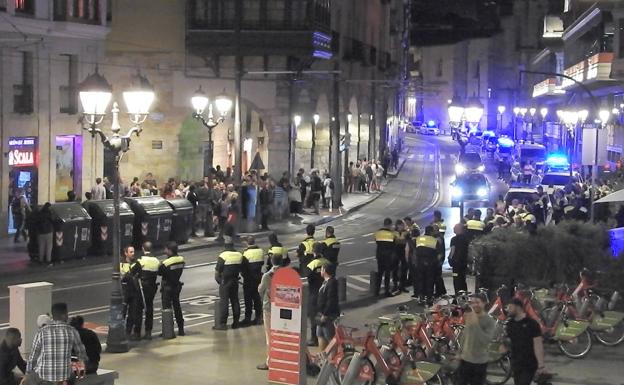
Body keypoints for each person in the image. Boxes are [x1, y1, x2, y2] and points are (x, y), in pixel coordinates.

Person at [25, 303, 87, 385]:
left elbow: (32, 358)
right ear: (64, 315)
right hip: (64, 377)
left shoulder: (41, 332)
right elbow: (82, 355)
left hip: (44, 376)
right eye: (67, 314)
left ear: (52, 315)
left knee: (30, 377)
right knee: (72, 375)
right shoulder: (72, 331)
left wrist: (27, 374)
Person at [505, 298, 546, 385]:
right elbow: (509, 343)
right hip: (516, 363)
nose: (507, 309)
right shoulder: (509, 325)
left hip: (529, 363)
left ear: (518, 307)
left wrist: (541, 365)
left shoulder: (532, 324)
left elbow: (538, 345)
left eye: (510, 307)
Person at [457, 294, 496, 385]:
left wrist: (475, 324)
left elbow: (485, 340)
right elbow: (465, 335)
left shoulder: (489, 321)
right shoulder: (470, 317)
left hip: (479, 362)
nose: (474, 305)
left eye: (477, 302)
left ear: (484, 303)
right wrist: (459, 352)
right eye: (472, 303)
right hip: (465, 359)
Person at [256, 253, 283, 370]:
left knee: (270, 336)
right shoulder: (286, 273)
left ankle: (270, 362)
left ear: (272, 261)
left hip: (269, 308)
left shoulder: (267, 276)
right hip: (282, 307)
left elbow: (261, 290)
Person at [213, 233, 243, 330]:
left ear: (225, 246)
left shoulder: (223, 255)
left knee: (224, 302)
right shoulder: (239, 255)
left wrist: (219, 281)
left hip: (225, 282)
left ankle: (222, 324)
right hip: (235, 281)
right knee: (235, 301)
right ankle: (236, 322)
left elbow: (217, 272)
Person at [132, 242, 160, 340]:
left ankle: (137, 333)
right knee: (149, 310)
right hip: (152, 288)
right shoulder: (157, 261)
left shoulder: (141, 260)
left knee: (138, 310)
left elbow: (132, 271)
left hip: (142, 287)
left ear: (143, 249)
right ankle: (148, 332)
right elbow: (159, 272)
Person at [159, 242, 185, 336]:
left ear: (170, 250)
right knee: (177, 307)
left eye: (166, 249)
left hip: (167, 287)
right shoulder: (181, 259)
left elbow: (160, 272)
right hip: (176, 286)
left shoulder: (166, 263)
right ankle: (181, 329)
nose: (164, 251)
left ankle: (168, 330)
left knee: (167, 309)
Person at [306, 243, 330, 347]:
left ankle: (314, 338)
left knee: (313, 317)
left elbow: (307, 279)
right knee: (324, 315)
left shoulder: (312, 265)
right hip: (325, 292)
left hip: (314, 293)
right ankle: (326, 336)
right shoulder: (327, 262)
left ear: (313, 251)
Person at [241, 236, 264, 326]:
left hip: (248, 279)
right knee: (257, 299)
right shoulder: (260, 251)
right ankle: (258, 317)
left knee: (248, 300)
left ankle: (248, 318)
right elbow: (261, 263)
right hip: (258, 278)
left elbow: (243, 267)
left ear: (247, 243)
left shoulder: (246, 253)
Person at [120, 245, 141, 340]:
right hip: (124, 292)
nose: (133, 254)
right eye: (131, 252)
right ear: (126, 253)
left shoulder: (136, 263)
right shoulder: (121, 264)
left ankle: (128, 332)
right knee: (122, 313)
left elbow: (139, 275)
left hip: (134, 291)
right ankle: (119, 332)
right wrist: (130, 274)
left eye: (133, 252)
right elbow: (122, 277)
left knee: (132, 314)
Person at [316, 263, 339, 351]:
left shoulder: (332, 283)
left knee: (329, 336)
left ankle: (333, 356)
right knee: (319, 334)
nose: (320, 271)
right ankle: (323, 355)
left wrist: (325, 314)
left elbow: (331, 301)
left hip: (327, 315)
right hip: (320, 313)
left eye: (321, 269)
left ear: (325, 271)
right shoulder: (325, 282)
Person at [415, 226, 439, 305]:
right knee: (430, 280)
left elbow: (416, 250)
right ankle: (429, 298)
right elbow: (437, 253)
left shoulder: (418, 238)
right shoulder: (435, 240)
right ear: (431, 232)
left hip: (420, 262)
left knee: (420, 280)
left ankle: (421, 297)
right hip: (430, 263)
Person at [374, 218, 396, 297]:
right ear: (390, 225)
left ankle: (376, 291)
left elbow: (376, 241)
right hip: (388, 256)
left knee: (379, 273)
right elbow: (394, 245)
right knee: (387, 274)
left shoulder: (378, 232)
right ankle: (387, 291)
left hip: (380, 255)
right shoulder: (392, 234)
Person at [449, 223, 469, 293]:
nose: (453, 229)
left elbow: (452, 250)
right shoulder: (466, 239)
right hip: (464, 263)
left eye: (455, 228)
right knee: (463, 279)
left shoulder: (454, 239)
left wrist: (450, 259)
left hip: (456, 263)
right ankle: (464, 295)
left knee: (456, 280)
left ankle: (457, 296)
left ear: (458, 229)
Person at [392, 219, 409, 293]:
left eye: (403, 225)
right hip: (395, 253)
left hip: (404, 252)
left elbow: (408, 242)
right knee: (394, 269)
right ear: (397, 225)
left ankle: (402, 286)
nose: (403, 226)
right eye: (401, 225)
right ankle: (395, 285)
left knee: (404, 270)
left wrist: (399, 242)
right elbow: (392, 243)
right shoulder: (394, 233)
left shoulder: (406, 232)